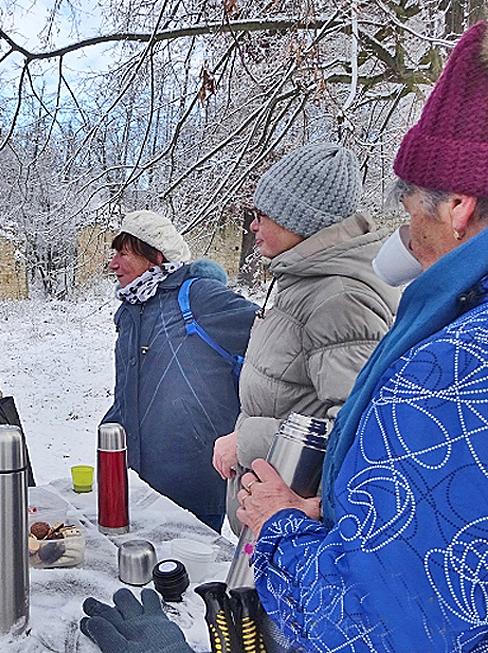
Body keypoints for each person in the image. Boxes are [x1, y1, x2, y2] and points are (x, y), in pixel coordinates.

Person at [236, 21, 488, 650]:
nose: (407, 230)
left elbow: (373, 624)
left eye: (411, 208)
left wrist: (281, 526)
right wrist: (353, 511)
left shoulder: (451, 370)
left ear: (457, 206)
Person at [211, 143, 399, 532]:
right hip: (274, 521)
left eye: (262, 214)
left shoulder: (339, 300)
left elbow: (357, 435)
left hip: (303, 530)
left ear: (300, 219)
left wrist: (244, 439)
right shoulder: (303, 282)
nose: (252, 225)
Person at [102, 210, 257, 532]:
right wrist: (113, 426)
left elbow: (276, 343)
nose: (113, 263)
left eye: (124, 253)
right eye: (113, 253)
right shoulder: (131, 309)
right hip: (138, 477)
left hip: (194, 479)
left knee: (187, 573)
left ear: (155, 256)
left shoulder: (198, 296)